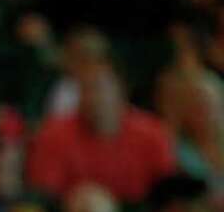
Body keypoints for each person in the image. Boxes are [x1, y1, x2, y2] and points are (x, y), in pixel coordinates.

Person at [28, 61, 176, 203]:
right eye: (84, 89)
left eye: (99, 88)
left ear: (121, 92)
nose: (92, 98)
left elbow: (167, 196)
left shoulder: (153, 134)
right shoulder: (54, 134)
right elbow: (44, 196)